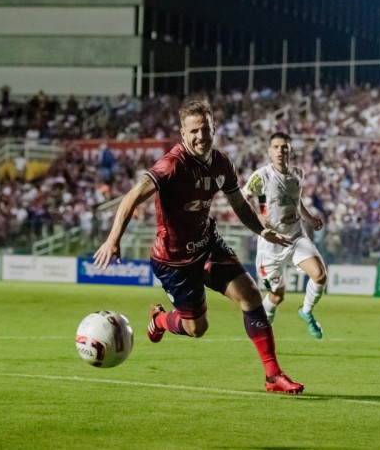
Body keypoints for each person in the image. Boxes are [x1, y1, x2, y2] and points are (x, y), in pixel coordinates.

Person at [93, 100, 304, 394]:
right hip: (174, 260)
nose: (200, 136)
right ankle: (160, 320)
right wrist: (113, 239)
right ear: (183, 134)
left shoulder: (222, 163)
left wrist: (262, 230)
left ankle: (273, 376)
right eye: (194, 131)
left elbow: (240, 204)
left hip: (207, 245)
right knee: (197, 329)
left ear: (214, 129)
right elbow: (131, 197)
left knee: (252, 297)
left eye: (205, 129)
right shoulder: (171, 165)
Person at [242, 132, 327, 338]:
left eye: (284, 147)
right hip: (271, 244)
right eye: (276, 147)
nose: (280, 150)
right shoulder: (261, 175)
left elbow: (295, 201)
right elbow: (244, 198)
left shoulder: (298, 173)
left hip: (296, 236)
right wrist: (257, 218)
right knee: (277, 296)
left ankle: (306, 311)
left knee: (320, 275)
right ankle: (262, 334)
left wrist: (309, 218)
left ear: (290, 150)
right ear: (269, 151)